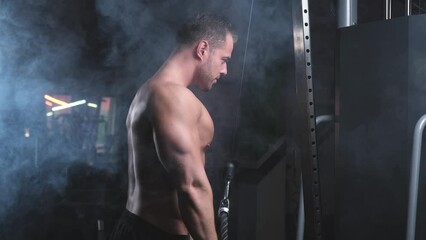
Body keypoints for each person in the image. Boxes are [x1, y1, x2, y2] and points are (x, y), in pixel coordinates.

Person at [109, 13, 237, 240]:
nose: (225, 71)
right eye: (224, 60)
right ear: (203, 49)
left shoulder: (148, 91)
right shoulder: (172, 97)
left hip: (136, 227)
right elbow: (192, 186)